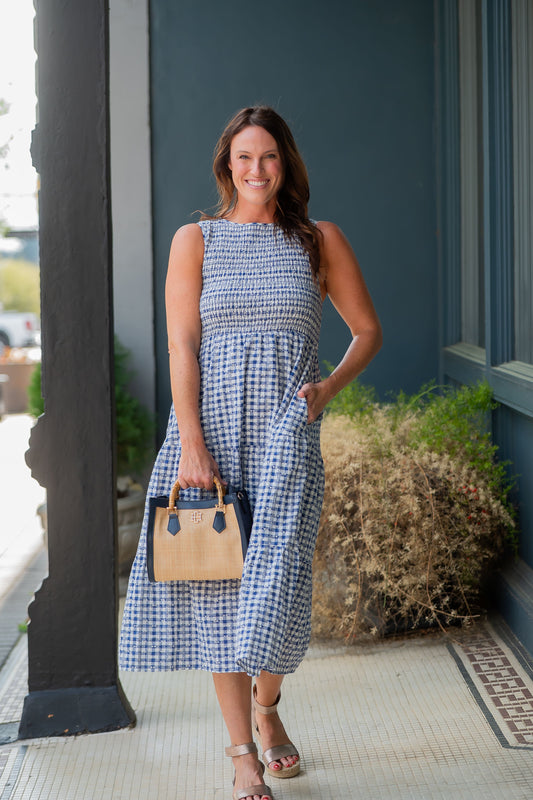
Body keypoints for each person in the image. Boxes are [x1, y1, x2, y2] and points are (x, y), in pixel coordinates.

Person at [119, 106, 382, 800]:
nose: (256, 169)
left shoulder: (318, 240)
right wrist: (192, 447)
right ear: (225, 165)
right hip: (208, 437)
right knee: (219, 597)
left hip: (286, 439)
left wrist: (322, 392)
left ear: (285, 163)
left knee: (282, 591)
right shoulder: (195, 240)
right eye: (244, 157)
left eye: (268, 156)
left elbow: (365, 331)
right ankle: (242, 755)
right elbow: (183, 346)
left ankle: (267, 705)